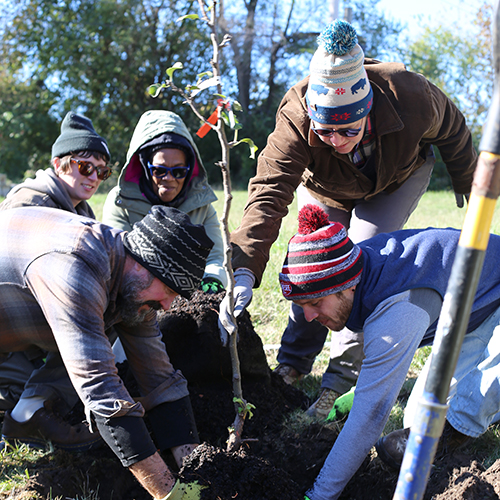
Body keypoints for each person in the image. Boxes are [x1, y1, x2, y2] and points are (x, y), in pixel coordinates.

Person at [218, 20, 476, 418]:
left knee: (362, 262)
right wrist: (244, 270)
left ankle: (339, 378)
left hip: (395, 178)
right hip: (326, 187)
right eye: (324, 133)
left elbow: (455, 129)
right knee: (311, 265)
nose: (336, 142)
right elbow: (268, 193)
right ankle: (294, 360)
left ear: (367, 109)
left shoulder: (411, 94)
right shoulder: (295, 116)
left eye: (348, 130)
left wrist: (470, 181)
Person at [279, 204, 500, 500]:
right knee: (416, 418)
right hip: (479, 307)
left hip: (491, 294)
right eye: (303, 306)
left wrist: (319, 494)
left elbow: (371, 417)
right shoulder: (358, 267)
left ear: (347, 288)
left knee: (474, 398)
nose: (308, 317)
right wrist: (363, 391)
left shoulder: (397, 309)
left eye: (316, 303)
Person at [0, 205, 213, 499]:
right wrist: (172, 494)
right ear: (142, 264)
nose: (168, 306)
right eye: (169, 289)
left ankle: (27, 408)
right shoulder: (77, 270)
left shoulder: (134, 283)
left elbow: (158, 376)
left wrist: (194, 469)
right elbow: (102, 389)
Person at [0, 111, 112, 437]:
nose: (93, 176)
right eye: (85, 166)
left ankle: (26, 399)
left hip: (32, 321)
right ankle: (31, 409)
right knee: (96, 319)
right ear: (58, 162)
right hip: (15, 316)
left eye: (102, 171)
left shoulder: (81, 209)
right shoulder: (31, 202)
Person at [102, 109, 226, 294]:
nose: (169, 178)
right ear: (145, 166)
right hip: (137, 296)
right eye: (159, 170)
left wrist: (211, 284)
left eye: (178, 171)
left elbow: (216, 258)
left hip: (191, 294)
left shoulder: (202, 205)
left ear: (189, 170)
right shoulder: (120, 202)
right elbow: (118, 261)